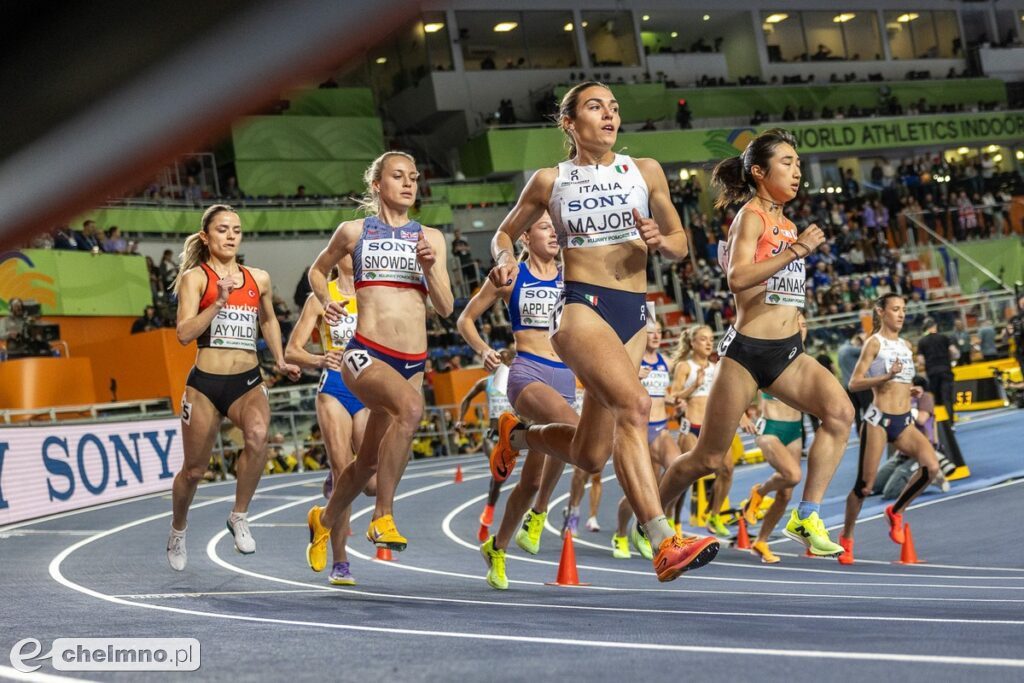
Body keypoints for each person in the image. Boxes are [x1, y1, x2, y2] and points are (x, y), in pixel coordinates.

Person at [487, 81, 719, 583]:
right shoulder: (550, 180)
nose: (610, 115)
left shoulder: (646, 170)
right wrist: (504, 257)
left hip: (634, 311)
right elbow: (504, 232)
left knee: (592, 454)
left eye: (614, 107)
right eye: (596, 107)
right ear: (570, 123)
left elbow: (680, 243)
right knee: (635, 406)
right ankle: (661, 539)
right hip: (581, 309)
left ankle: (519, 438)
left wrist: (663, 239)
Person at [659, 128, 854, 558]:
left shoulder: (788, 224)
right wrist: (796, 252)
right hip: (747, 353)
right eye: (787, 162)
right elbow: (737, 279)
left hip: (787, 353)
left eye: (799, 163)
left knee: (840, 414)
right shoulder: (752, 217)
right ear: (760, 172)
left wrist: (794, 304)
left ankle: (806, 514)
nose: (797, 170)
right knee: (707, 460)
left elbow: (777, 285)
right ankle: (651, 518)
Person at [305, 151, 453, 573]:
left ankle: (324, 519)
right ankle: (382, 516)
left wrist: (429, 269)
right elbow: (317, 271)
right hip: (364, 352)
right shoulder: (354, 232)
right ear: (377, 184)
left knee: (367, 463)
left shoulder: (431, 238)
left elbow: (444, 307)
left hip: (413, 361)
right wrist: (326, 300)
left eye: (414, 177)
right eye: (398, 176)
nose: (409, 183)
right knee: (411, 408)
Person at [166, 204, 300, 571]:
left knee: (258, 436)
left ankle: (239, 514)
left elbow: (269, 320)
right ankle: (178, 528)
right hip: (205, 385)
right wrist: (219, 303)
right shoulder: (196, 278)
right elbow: (183, 334)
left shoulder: (259, 278)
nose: (230, 236)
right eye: (222, 229)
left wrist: (281, 357)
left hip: (247, 381)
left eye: (236, 230)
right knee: (194, 471)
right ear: (206, 236)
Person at [458, 213, 580, 589]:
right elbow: (466, 319)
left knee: (531, 480)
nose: (554, 235)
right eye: (546, 228)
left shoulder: (571, 274)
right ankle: (536, 500)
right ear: (525, 236)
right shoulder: (511, 276)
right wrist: (482, 350)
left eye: (556, 229)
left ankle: (498, 546)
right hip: (527, 372)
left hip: (566, 376)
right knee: (577, 435)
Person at [285, 258, 376, 586]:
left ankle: (324, 504)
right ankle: (340, 562)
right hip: (335, 388)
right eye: (345, 252)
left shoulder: (371, 295)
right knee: (344, 478)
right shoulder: (322, 298)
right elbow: (291, 350)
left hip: (366, 389)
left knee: (371, 484)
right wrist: (319, 358)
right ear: (335, 258)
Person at [839, 294, 940, 564]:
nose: (901, 314)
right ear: (881, 312)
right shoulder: (874, 343)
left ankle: (895, 512)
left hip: (904, 420)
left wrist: (912, 389)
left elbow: (903, 381)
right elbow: (854, 383)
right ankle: (846, 537)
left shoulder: (907, 345)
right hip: (878, 420)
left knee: (931, 467)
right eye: (895, 309)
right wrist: (885, 377)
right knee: (864, 486)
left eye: (904, 310)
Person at [741, 313, 810, 564]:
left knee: (786, 496)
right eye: (797, 324)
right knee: (792, 475)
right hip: (769, 427)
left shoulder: (806, 361)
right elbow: (738, 384)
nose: (801, 329)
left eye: (804, 325)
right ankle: (758, 493)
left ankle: (760, 541)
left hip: (795, 430)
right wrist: (742, 416)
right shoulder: (769, 353)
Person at [612, 317, 682, 560]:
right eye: (651, 332)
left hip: (661, 429)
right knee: (637, 493)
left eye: (659, 332)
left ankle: (662, 526)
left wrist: (676, 400)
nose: (656, 336)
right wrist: (633, 375)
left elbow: (661, 394)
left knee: (678, 468)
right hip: (639, 432)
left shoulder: (665, 361)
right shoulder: (632, 358)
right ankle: (621, 534)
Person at [667, 325, 732, 537]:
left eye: (711, 339)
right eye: (703, 339)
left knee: (727, 470)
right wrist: (695, 385)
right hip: (692, 427)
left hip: (714, 427)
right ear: (693, 343)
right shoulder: (685, 366)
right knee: (686, 477)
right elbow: (675, 396)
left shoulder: (716, 367)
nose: (708, 343)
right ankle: (673, 521)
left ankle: (713, 515)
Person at [453, 348, 515, 541]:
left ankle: (489, 512)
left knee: (503, 480)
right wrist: (460, 420)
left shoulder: (516, 383)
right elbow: (466, 399)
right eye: (499, 359)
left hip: (514, 436)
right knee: (499, 471)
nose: (501, 362)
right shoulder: (486, 383)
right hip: (492, 435)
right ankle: (489, 512)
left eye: (505, 359)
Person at [916, 317, 959, 421]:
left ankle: (939, 421)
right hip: (945, 370)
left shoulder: (922, 341)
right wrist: (949, 359)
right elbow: (955, 353)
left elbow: (920, 360)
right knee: (947, 397)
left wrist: (930, 362)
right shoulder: (944, 337)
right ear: (935, 326)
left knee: (935, 398)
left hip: (932, 372)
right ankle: (950, 422)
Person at [838, 331, 870, 430]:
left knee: (856, 414)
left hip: (848, 387)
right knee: (868, 410)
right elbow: (868, 350)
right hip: (859, 385)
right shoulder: (850, 349)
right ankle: (867, 431)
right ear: (856, 339)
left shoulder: (840, 350)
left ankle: (860, 433)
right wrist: (865, 340)